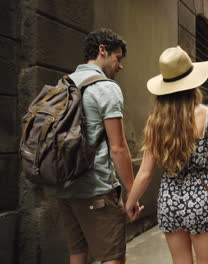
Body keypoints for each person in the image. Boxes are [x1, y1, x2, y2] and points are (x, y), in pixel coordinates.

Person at [126, 46, 208, 264]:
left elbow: (144, 173)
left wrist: (131, 202)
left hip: (169, 202)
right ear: (192, 82)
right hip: (201, 202)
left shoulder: (156, 122)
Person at [56, 28, 143, 264]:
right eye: (118, 57)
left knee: (78, 253)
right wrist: (132, 193)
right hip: (97, 191)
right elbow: (118, 148)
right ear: (102, 51)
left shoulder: (64, 84)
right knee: (112, 257)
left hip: (66, 189)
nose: (120, 65)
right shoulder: (106, 88)